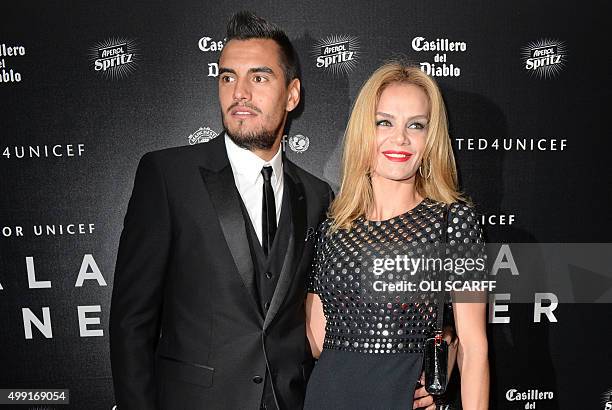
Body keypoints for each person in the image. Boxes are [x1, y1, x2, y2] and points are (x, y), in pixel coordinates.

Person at [108, 11, 334, 410]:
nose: (239, 93)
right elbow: (131, 324)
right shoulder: (168, 176)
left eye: (259, 78)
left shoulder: (316, 196)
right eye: (228, 77)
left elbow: (317, 318)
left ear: (292, 94)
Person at [304, 62, 489, 409]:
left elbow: (475, 348)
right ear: (364, 130)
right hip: (328, 395)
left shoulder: (452, 220)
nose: (400, 138)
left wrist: (445, 345)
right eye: (384, 122)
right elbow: (315, 339)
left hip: (399, 397)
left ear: (430, 138)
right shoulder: (334, 225)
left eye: (415, 125)